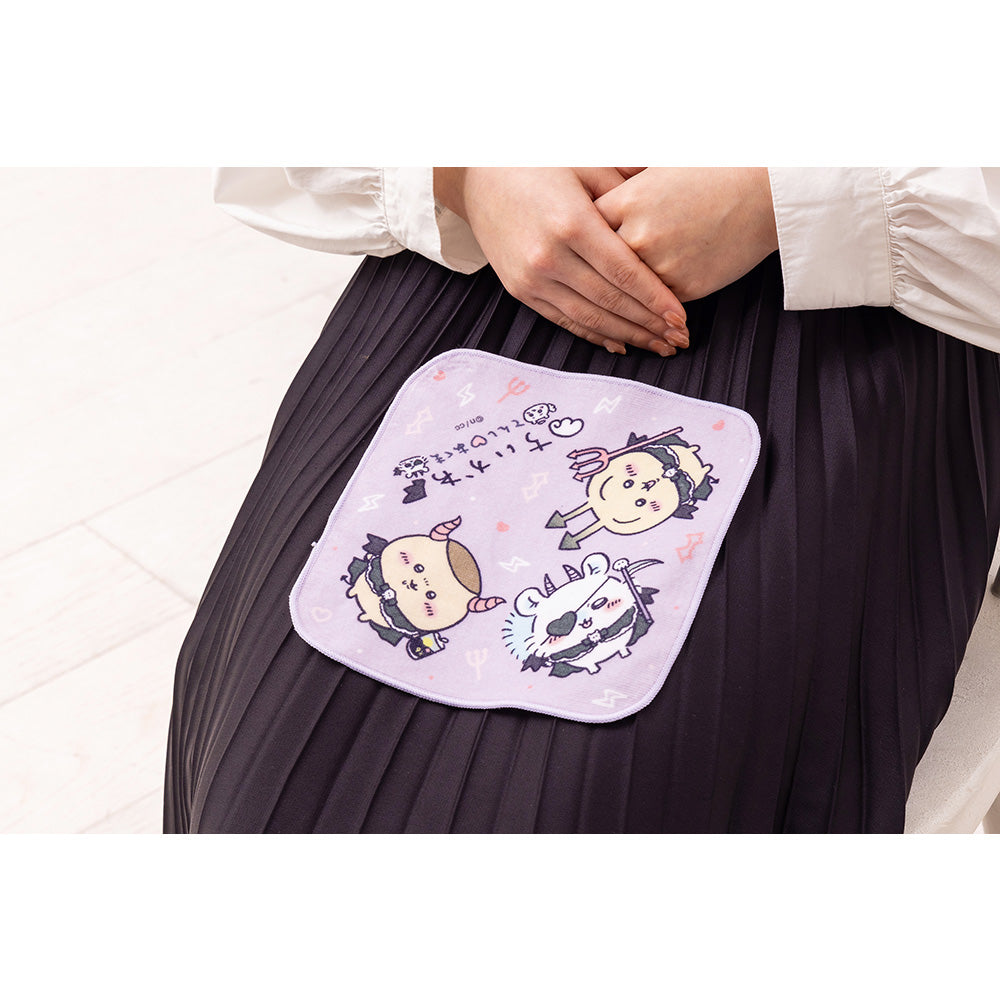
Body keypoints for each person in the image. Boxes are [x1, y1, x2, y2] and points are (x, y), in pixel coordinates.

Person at [164, 167, 1000, 833]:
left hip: (855, 320)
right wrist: (466, 172)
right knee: (264, 755)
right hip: (494, 260)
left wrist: (792, 193)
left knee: (605, 790)